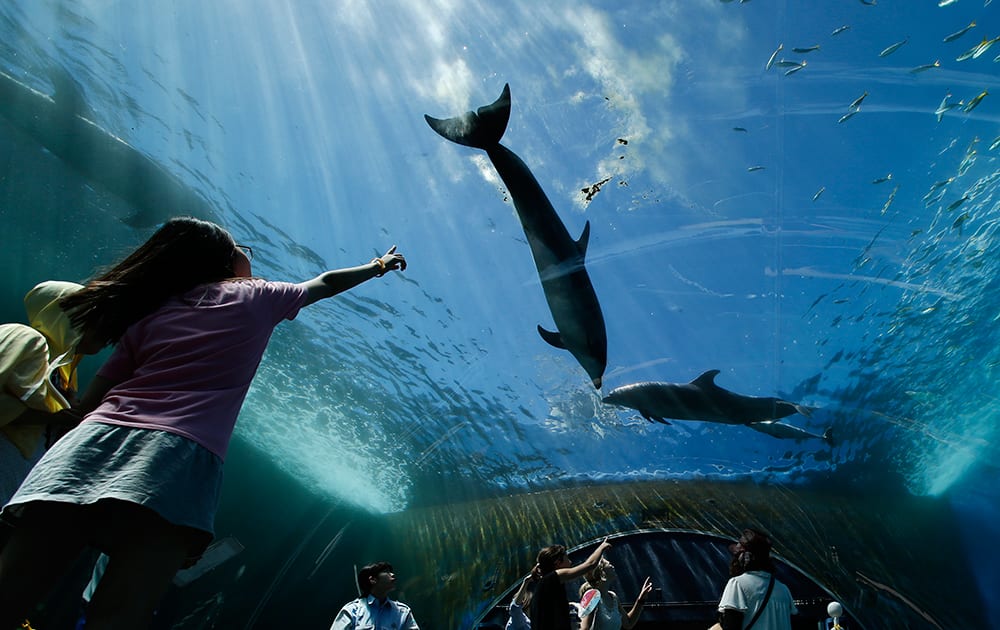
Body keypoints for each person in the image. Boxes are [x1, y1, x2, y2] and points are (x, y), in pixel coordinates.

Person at [0, 217, 406, 628]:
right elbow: (324, 282)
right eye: (242, 249)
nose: (249, 256)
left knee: (10, 593)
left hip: (92, 442)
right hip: (174, 457)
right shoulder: (257, 295)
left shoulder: (152, 311)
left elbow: (90, 403)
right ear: (225, 264)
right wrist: (376, 266)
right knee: (116, 616)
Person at [0, 280, 100, 504]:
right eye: (94, 318)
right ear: (66, 316)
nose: (105, 328)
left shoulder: (64, 373)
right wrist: (50, 416)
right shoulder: (25, 337)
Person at [713, 529, 797, 630]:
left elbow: (731, 625)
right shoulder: (784, 590)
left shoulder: (738, 584)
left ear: (745, 557)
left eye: (737, 554)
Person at [530, 538, 613, 630]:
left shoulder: (545, 585)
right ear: (557, 563)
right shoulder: (552, 578)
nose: (570, 562)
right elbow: (590, 564)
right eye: (567, 558)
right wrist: (602, 547)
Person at [330, 561, 419, 629]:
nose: (392, 574)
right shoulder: (352, 611)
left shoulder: (403, 612)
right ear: (373, 579)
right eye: (386, 572)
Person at [577, 556, 653, 630]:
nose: (612, 566)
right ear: (602, 573)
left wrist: (641, 599)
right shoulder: (591, 596)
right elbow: (584, 628)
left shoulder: (613, 596)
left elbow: (628, 623)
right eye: (608, 564)